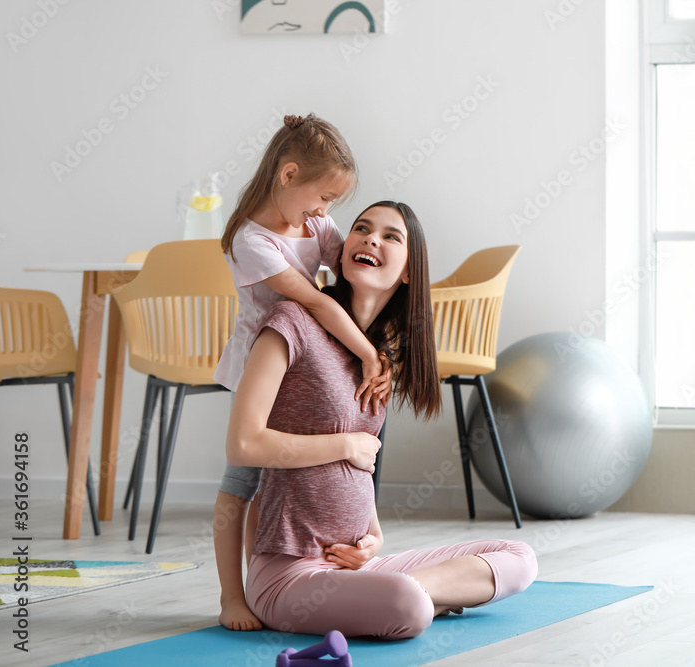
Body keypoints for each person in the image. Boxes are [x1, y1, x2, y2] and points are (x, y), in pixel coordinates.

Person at [225, 201, 537, 638]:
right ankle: (413, 594)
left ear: (409, 270)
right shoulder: (291, 321)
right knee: (407, 607)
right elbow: (244, 445)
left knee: (520, 557)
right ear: (342, 248)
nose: (371, 238)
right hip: (289, 575)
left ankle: (398, 591)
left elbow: (361, 472)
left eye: (391, 236)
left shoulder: (379, 362)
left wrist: (375, 539)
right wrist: (346, 444)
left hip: (357, 566)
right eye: (361, 228)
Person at [214, 113, 390, 631]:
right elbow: (317, 303)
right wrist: (367, 353)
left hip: (308, 367)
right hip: (263, 370)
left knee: (278, 487)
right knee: (241, 483)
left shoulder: (313, 224)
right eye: (323, 197)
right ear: (288, 174)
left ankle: (272, 581)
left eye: (332, 203)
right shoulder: (253, 241)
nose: (324, 211)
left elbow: (349, 268)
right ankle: (234, 595)